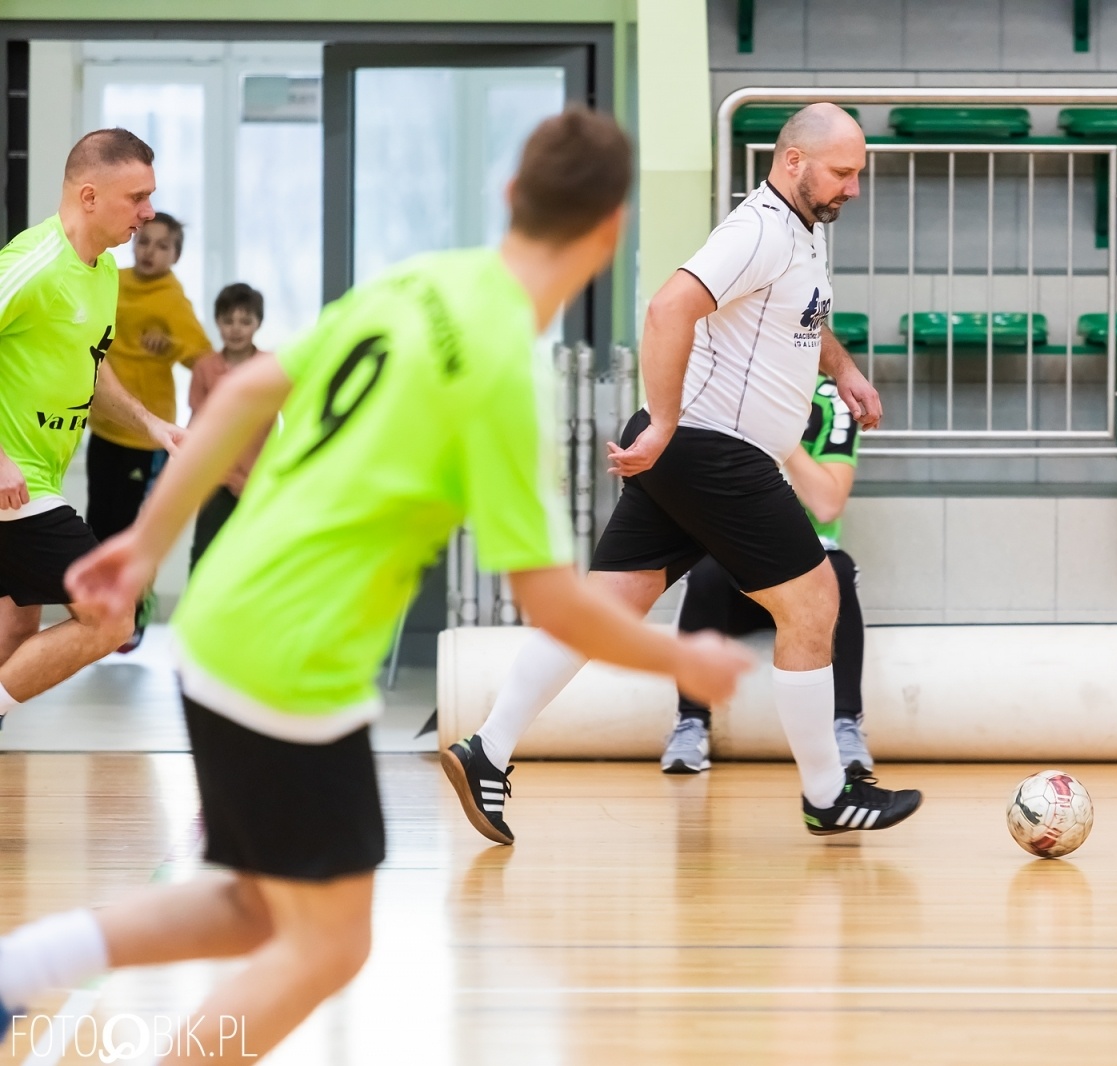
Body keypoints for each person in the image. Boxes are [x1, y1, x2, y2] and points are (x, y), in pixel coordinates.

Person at [0, 109, 751, 1057]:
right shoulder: (502, 377)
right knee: (329, 943)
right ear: (609, 234)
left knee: (254, 910)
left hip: (229, 615)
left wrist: (149, 543)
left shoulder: (420, 278)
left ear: (511, 196)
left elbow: (247, 388)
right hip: (293, 658)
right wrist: (686, 657)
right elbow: (555, 604)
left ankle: (16, 971)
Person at [447, 102, 922, 845]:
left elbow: (803, 318)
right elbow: (671, 309)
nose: (852, 188)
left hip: (694, 451)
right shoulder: (758, 229)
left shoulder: (799, 232)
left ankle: (487, 752)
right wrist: (664, 423)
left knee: (605, 609)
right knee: (813, 602)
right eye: (842, 172)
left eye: (857, 174)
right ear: (793, 162)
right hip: (713, 448)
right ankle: (828, 795)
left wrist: (846, 370)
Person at [0, 129, 185, 726]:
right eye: (137, 197)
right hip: (15, 481)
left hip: (37, 479)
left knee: (15, 628)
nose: (148, 212)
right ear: (88, 196)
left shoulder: (103, 271)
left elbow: (90, 366)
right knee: (112, 615)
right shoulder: (32, 262)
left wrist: (152, 423)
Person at [663, 374, 871, 775]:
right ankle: (690, 721)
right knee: (704, 572)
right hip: (739, 570)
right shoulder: (721, 389)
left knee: (839, 571)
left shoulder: (829, 400)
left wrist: (780, 432)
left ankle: (845, 724)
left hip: (808, 577)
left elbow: (827, 505)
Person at [88, 211, 211, 649]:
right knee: (98, 523)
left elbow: (203, 358)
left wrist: (171, 347)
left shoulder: (172, 300)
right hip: (103, 427)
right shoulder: (111, 280)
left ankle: (133, 616)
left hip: (147, 437)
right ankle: (99, 617)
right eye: (145, 242)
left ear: (176, 256)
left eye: (163, 246)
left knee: (134, 532)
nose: (150, 251)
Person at [187, 282, 269, 569]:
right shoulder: (205, 368)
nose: (236, 329)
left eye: (245, 321)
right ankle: (196, 615)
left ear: (258, 323)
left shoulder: (271, 367)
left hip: (260, 480)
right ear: (218, 322)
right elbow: (196, 426)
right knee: (205, 557)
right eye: (228, 320)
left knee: (255, 558)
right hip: (216, 481)